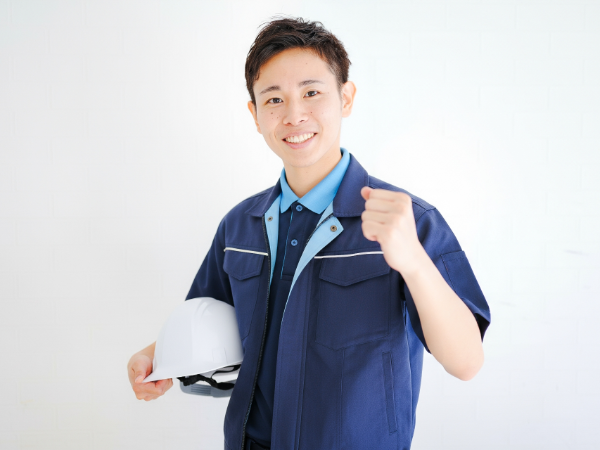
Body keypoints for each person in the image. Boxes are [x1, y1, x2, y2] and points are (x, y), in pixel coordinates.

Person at [127, 16, 491, 450]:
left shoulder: (408, 221)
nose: (294, 115)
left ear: (346, 98)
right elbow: (208, 318)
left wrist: (413, 260)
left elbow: (467, 362)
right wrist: (155, 356)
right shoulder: (239, 226)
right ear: (255, 115)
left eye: (312, 93)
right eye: (274, 99)